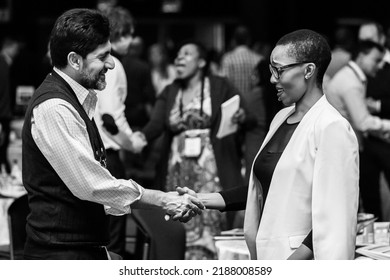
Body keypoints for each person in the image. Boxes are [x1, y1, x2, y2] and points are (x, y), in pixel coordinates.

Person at [21, 8, 204, 260]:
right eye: (103, 56)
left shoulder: (77, 99)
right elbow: (92, 185)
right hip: (60, 255)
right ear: (75, 60)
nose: (111, 63)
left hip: (78, 249)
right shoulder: (56, 107)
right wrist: (160, 199)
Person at [179, 29, 360, 260]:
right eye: (271, 69)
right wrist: (200, 199)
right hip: (268, 255)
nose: (273, 78)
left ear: (309, 70)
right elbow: (269, 187)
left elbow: (335, 217)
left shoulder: (331, 126)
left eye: (279, 70)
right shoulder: (281, 118)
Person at [132, 40, 254, 259]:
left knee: (210, 217)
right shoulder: (171, 91)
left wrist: (240, 116)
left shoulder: (219, 85)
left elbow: (245, 112)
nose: (179, 58)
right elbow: (155, 125)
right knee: (179, 213)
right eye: (178, 54)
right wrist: (138, 137)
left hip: (211, 167)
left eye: (186, 54)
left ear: (201, 62)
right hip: (177, 168)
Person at [94, 6, 139, 258]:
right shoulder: (113, 64)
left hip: (96, 152)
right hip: (108, 155)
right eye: (129, 34)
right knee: (113, 238)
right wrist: (132, 143)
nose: (131, 41)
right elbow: (111, 117)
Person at [220, 25, 266, 181]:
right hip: (254, 108)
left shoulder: (228, 58)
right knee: (252, 152)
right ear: (249, 40)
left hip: (233, 111)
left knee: (234, 152)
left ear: (234, 40)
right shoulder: (258, 58)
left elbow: (224, 86)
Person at [326, 40, 389, 149]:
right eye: (376, 60)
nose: (379, 66)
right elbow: (362, 123)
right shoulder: (351, 83)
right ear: (361, 57)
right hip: (344, 145)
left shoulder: (350, 75)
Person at [0, 35, 22, 173]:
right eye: (15, 48)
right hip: (2, 113)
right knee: (2, 145)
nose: (17, 52)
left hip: (4, 111)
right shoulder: (2, 63)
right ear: (9, 47)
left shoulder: (5, 63)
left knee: (4, 145)